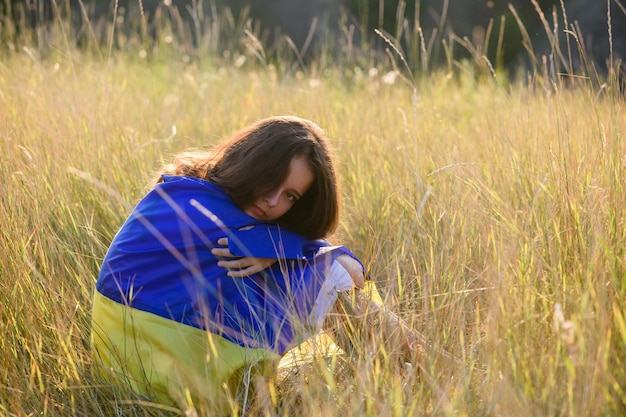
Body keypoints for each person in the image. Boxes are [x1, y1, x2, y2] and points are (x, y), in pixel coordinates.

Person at [91, 116, 425, 415]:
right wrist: (296, 252)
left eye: (291, 196)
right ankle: (429, 368)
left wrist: (280, 251)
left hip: (135, 366)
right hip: (140, 361)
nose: (273, 201)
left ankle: (410, 372)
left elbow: (336, 263)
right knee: (325, 279)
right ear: (253, 161)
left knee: (312, 277)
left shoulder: (188, 191)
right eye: (271, 179)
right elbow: (345, 269)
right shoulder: (190, 201)